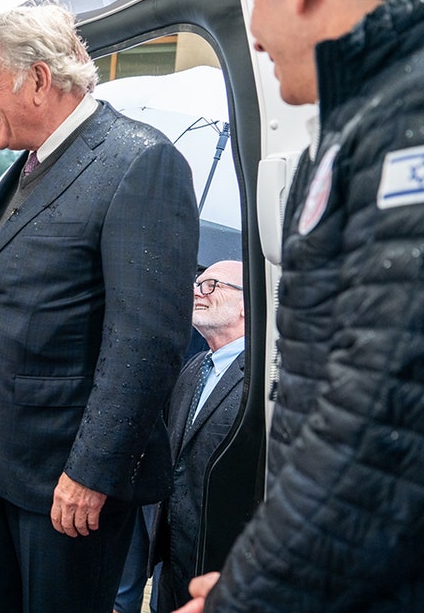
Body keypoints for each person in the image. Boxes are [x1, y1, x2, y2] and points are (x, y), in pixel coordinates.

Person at [177, 0, 424, 611]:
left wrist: (249, 591)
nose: (259, 40)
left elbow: (384, 426)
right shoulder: (369, 111)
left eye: (253, 1)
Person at [0, 2, 199, 612]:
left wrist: (91, 473)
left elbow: (146, 341)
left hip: (63, 480)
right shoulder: (22, 170)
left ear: (37, 78)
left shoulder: (138, 160)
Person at [147, 261, 246, 611]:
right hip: (173, 557)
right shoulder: (194, 367)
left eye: (211, 285)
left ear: (246, 303)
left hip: (223, 560)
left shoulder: (264, 376)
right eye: (195, 283)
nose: (195, 292)